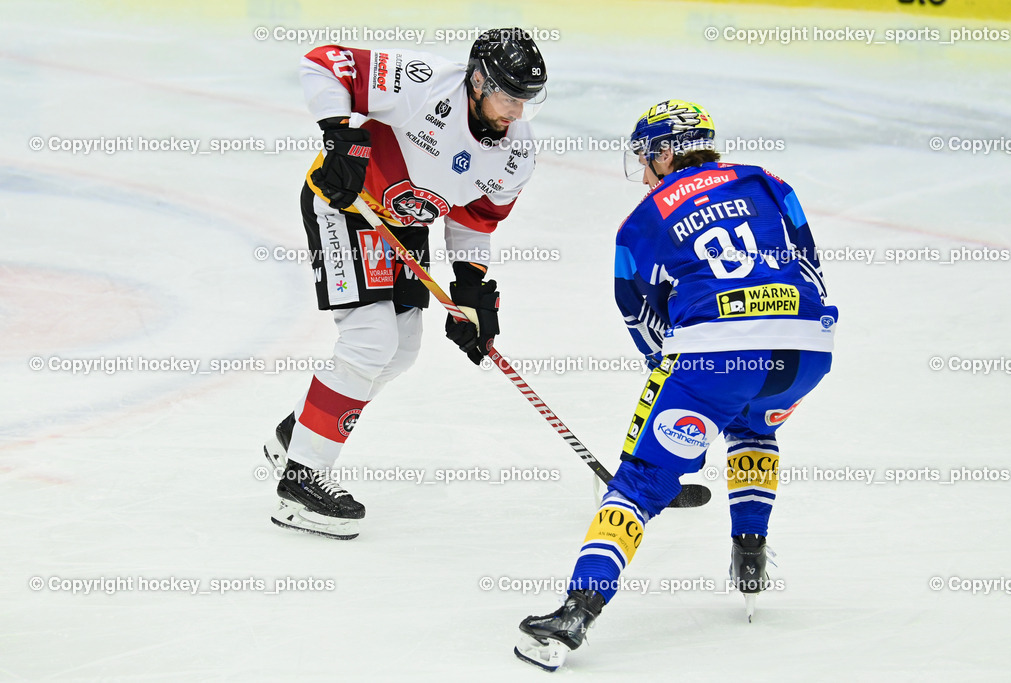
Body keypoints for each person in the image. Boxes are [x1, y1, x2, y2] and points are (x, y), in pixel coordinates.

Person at [514, 100, 839, 671]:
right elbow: (807, 261)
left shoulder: (641, 221)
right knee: (753, 425)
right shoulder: (765, 180)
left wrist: (677, 385)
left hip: (717, 355)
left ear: (665, 152)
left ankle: (575, 613)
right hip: (808, 347)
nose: (643, 174)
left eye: (645, 159)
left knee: (641, 481)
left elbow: (641, 318)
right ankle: (750, 554)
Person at [263, 29, 547, 540]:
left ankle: (302, 432)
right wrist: (339, 134)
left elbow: (476, 220)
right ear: (478, 81)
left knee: (402, 351)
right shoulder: (423, 83)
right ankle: (300, 483)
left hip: (405, 225)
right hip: (347, 205)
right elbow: (324, 62)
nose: (517, 111)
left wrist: (469, 288)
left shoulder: (517, 151)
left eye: (526, 100)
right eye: (509, 97)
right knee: (370, 340)